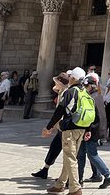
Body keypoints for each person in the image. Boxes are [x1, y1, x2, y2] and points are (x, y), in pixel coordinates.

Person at [43, 66, 91, 195]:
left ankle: (75, 188)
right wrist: (88, 129)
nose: (69, 79)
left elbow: (60, 111)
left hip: (70, 129)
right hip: (81, 128)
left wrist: (49, 127)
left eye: (70, 77)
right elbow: (93, 111)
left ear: (74, 78)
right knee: (69, 156)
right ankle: (60, 184)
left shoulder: (71, 92)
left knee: (70, 157)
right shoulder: (85, 92)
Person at [77, 73, 110, 190]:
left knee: (92, 154)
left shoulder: (90, 98)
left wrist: (86, 130)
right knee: (81, 153)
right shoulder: (98, 95)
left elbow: (90, 116)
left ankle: (108, 175)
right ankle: (82, 178)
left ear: (88, 86)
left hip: (92, 130)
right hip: (98, 128)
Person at [31, 73, 69, 180]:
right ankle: (45, 169)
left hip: (65, 127)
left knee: (69, 153)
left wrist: (49, 127)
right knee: (54, 147)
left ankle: (67, 178)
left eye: (56, 82)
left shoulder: (66, 94)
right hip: (60, 127)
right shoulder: (61, 92)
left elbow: (59, 113)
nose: (54, 83)